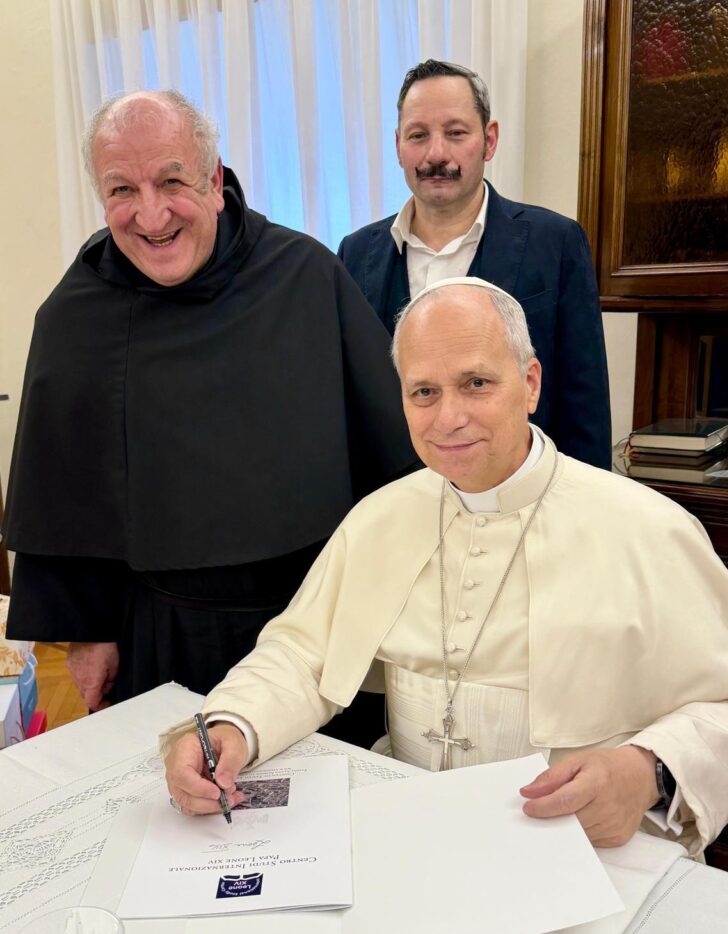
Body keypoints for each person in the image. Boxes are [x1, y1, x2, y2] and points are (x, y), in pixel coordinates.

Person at [163, 278, 728, 856]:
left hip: (582, 848)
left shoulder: (649, 528)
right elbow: (302, 655)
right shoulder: (379, 519)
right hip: (413, 832)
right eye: (423, 392)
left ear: (530, 384)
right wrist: (231, 726)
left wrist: (647, 772)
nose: (448, 417)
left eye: (476, 383)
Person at [2, 89, 417, 714]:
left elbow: (389, 454)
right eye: (122, 190)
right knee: (171, 773)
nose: (151, 215)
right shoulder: (74, 315)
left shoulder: (305, 274)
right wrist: (87, 634)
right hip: (162, 631)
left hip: (310, 625)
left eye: (171, 181)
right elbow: (60, 492)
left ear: (215, 182)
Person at [337, 59, 612, 471]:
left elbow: (584, 401)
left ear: (489, 139)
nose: (436, 154)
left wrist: (581, 500)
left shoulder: (556, 243)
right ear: (398, 146)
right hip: (391, 493)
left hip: (517, 492)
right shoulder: (355, 253)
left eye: (455, 133)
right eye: (418, 135)